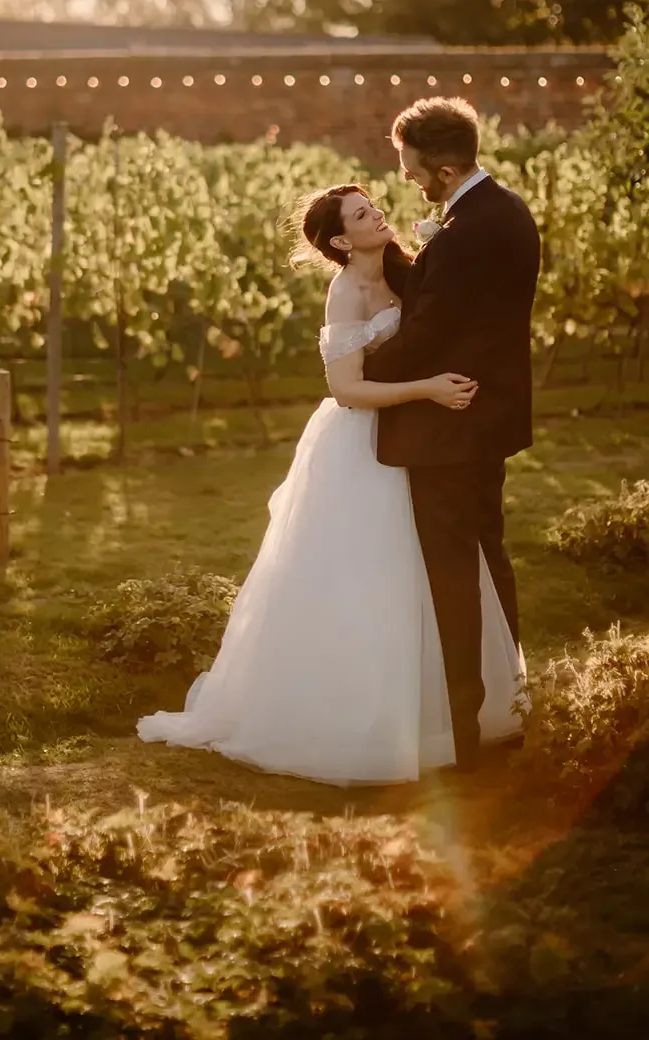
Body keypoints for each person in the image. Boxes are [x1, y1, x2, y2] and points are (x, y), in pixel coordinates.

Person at [136, 182, 525, 785]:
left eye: (375, 207)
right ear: (341, 240)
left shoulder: (410, 270)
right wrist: (427, 390)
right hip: (361, 443)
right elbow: (346, 389)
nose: (380, 215)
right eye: (364, 214)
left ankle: (443, 718)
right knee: (368, 580)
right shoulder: (344, 294)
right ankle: (362, 720)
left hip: (420, 440)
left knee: (430, 574)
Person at [364, 97, 541, 773]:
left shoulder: (467, 231)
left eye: (410, 164)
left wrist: (356, 371)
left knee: (453, 577)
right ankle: (507, 709)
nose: (406, 175)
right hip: (485, 420)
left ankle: (466, 733)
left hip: (449, 430)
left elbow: (430, 331)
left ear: (439, 165)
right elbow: (455, 308)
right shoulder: (502, 210)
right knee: (488, 564)